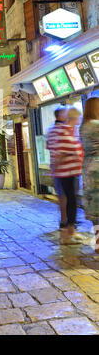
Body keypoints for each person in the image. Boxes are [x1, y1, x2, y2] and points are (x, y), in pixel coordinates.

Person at [53, 107, 84, 244]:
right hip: (67, 172)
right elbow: (61, 152)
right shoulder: (65, 131)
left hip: (70, 171)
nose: (79, 120)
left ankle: (70, 231)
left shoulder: (70, 131)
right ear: (74, 118)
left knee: (72, 200)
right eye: (78, 117)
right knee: (71, 201)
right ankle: (66, 234)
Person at [80, 97, 99, 254]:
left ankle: (98, 243)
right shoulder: (96, 125)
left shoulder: (83, 126)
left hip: (87, 169)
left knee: (95, 209)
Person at [46, 106, 68, 229]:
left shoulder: (50, 130)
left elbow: (48, 146)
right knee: (68, 195)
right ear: (60, 115)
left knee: (61, 195)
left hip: (55, 166)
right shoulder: (64, 129)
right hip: (66, 167)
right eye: (66, 113)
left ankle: (64, 219)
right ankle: (68, 222)